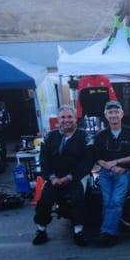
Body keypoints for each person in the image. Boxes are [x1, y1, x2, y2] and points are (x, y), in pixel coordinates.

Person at [32, 105, 93, 247]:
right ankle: (41, 230)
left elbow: (87, 161)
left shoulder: (85, 136)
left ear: (75, 119)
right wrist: (52, 177)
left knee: (78, 199)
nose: (66, 120)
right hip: (55, 178)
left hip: (76, 176)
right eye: (63, 117)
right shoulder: (49, 137)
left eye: (70, 117)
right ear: (58, 120)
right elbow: (44, 160)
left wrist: (70, 177)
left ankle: (78, 231)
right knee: (44, 200)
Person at [92, 100, 130, 247]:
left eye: (116, 112)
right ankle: (110, 232)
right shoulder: (101, 136)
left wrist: (119, 163)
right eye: (110, 112)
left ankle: (107, 233)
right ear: (105, 115)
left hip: (124, 173)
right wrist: (108, 166)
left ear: (121, 114)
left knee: (115, 202)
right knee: (107, 202)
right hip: (106, 174)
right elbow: (96, 157)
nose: (113, 115)